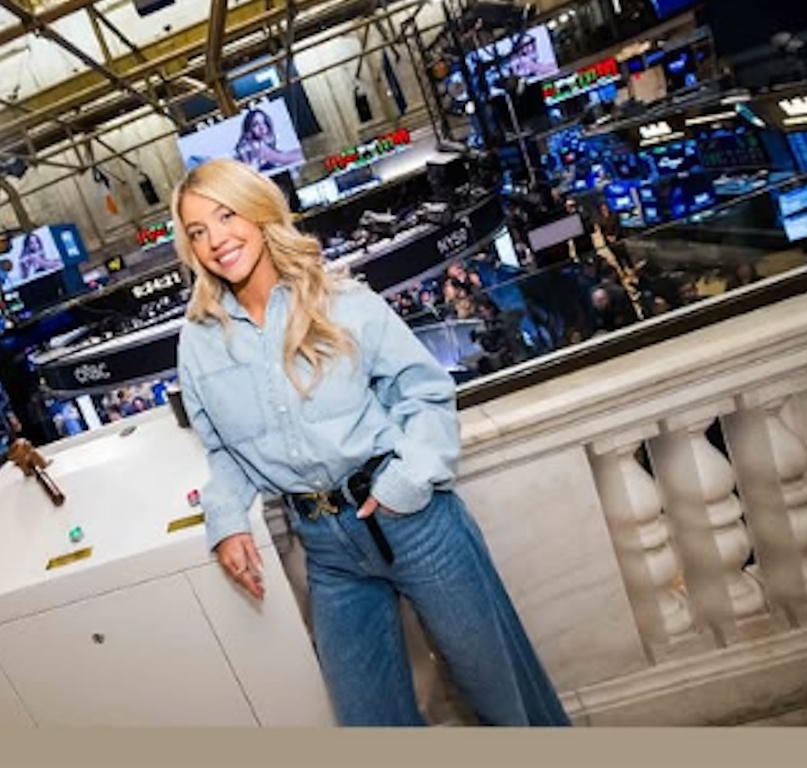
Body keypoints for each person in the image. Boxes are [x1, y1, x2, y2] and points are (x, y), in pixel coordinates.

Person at [171, 158, 570, 729]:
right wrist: (226, 517)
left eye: (225, 215)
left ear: (259, 213)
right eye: (197, 232)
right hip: (328, 551)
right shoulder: (200, 342)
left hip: (415, 523)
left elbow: (426, 394)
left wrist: (405, 483)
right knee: (368, 719)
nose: (216, 240)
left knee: (503, 694)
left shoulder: (340, 300)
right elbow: (226, 452)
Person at [230, 104, 302, 175]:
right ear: (248, 131)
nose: (261, 127)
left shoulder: (265, 145)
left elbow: (295, 155)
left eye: (264, 122)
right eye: (255, 124)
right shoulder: (248, 149)